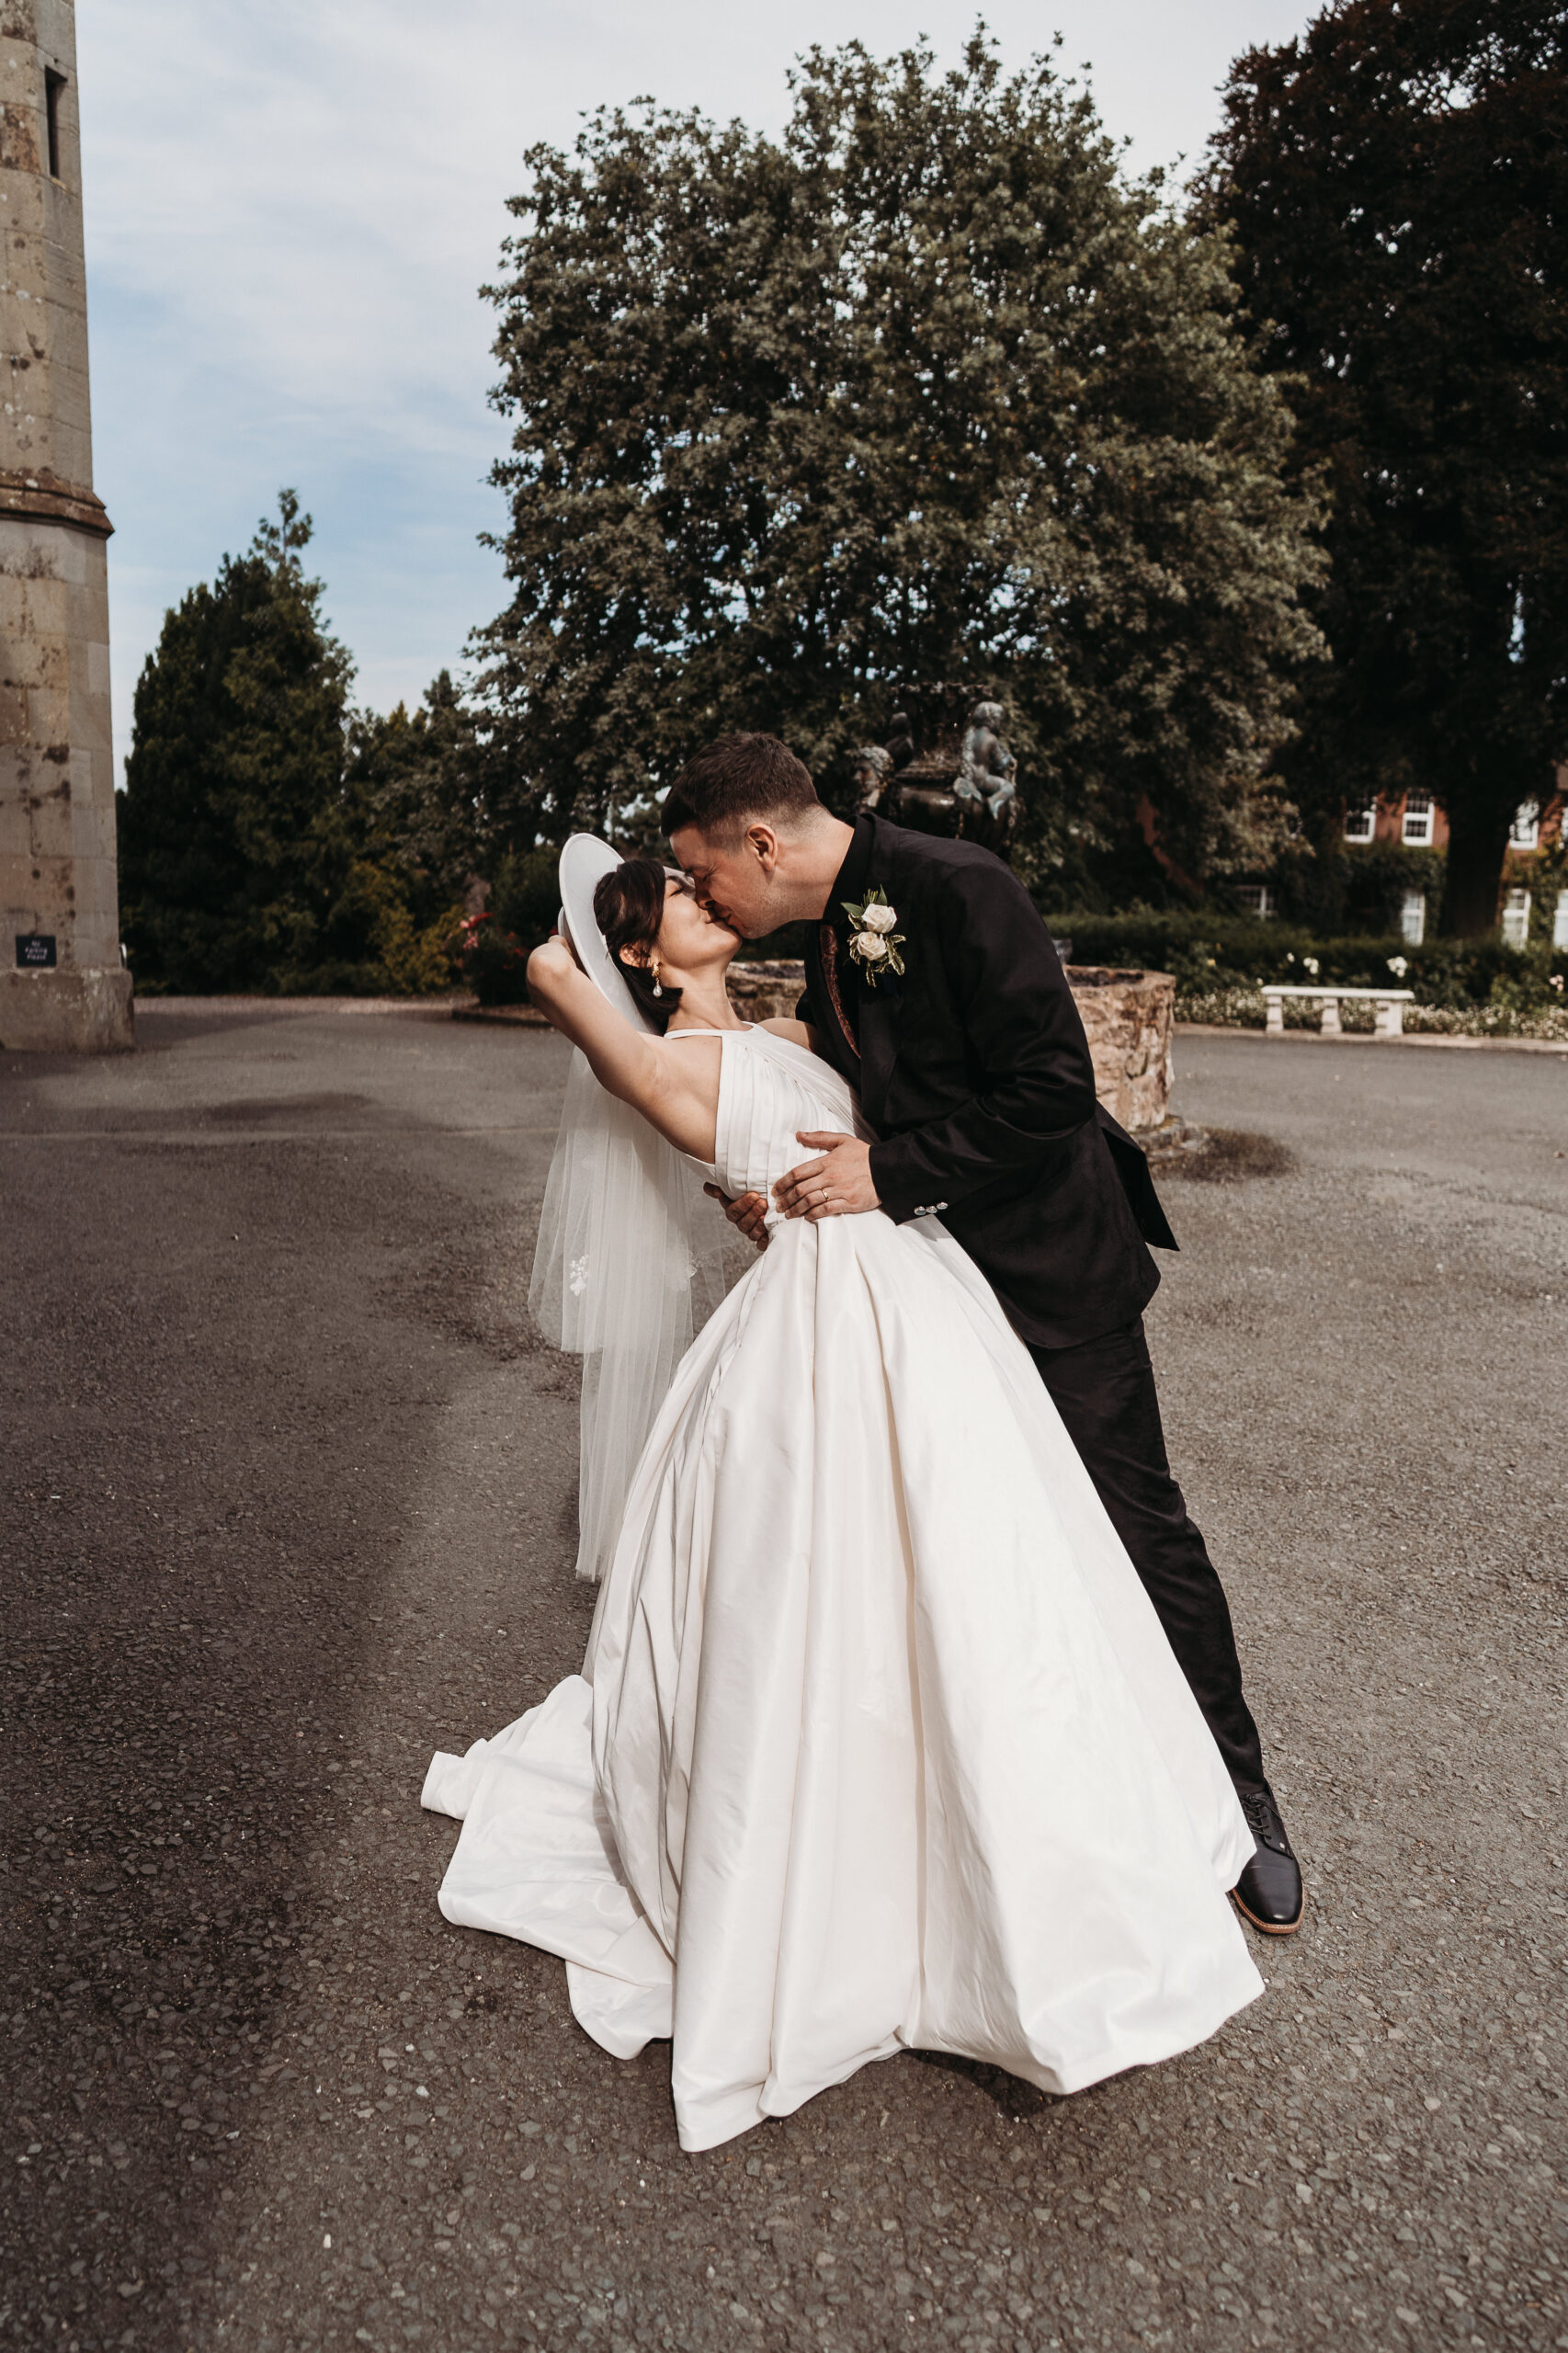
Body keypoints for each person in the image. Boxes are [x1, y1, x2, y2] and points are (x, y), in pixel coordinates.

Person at [423, 850, 1264, 2154]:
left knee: (996, 1566)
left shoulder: (788, 1019)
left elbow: (899, 1100)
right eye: (678, 905)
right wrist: (571, 937)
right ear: (643, 960)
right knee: (824, 1586)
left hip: (920, 1293)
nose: (705, 901)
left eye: (704, 884)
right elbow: (552, 979)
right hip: (818, 1329)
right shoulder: (658, 1065)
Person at [664, 733, 1303, 1937]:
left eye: (704, 875)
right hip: (929, 1286)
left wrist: (884, 1173)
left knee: (1134, 1526)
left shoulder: (960, 886)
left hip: (1051, 1270)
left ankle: (1242, 1798)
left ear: (760, 841)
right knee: (982, 1549)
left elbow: (1051, 1085)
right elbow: (871, 1091)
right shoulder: (827, 941)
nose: (703, 899)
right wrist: (784, 1174)